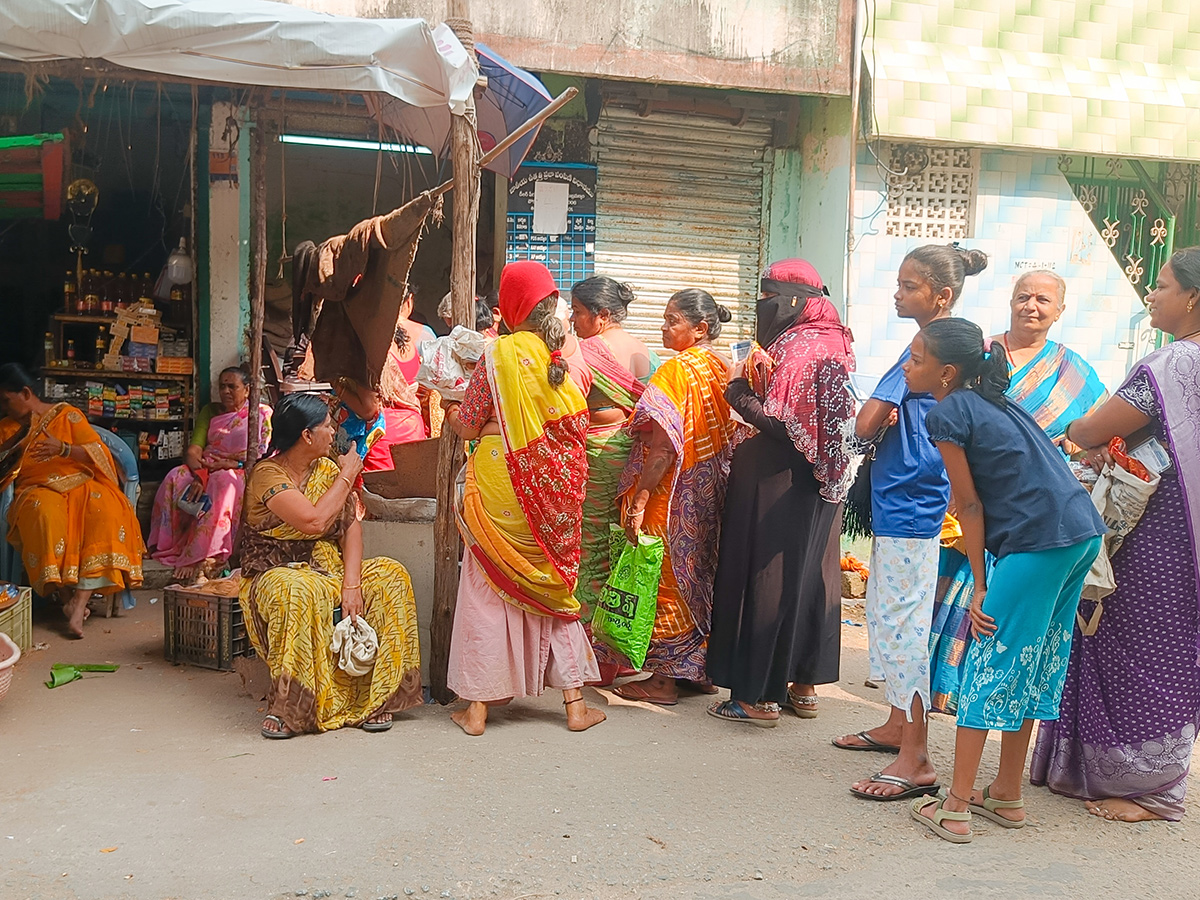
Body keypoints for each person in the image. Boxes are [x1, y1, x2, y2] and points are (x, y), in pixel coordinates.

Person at [904, 317, 1104, 842]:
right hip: (1079, 534)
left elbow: (968, 504)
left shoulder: (947, 412)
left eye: (916, 359)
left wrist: (981, 583)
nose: (907, 366)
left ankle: (954, 806)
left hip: (1037, 543)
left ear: (946, 372)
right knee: (1036, 658)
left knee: (990, 658)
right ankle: (1007, 794)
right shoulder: (998, 402)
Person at [1030, 247, 1200, 823]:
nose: (1151, 294)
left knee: (1134, 641)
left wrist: (1087, 433)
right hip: (1186, 535)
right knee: (1174, 646)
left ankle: (1152, 790)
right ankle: (1124, 774)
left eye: (1161, 285)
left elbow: (1090, 427)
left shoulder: (1171, 366)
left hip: (1161, 531)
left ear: (1193, 299)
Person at [836, 243, 987, 801]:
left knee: (902, 626)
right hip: (913, 500)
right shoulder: (942, 347)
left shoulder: (925, 350)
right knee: (891, 617)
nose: (897, 295)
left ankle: (915, 756)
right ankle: (898, 725)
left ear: (940, 295)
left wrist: (872, 420)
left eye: (908, 286)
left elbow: (865, 421)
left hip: (913, 505)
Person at [929, 270, 1107, 713]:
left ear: (1060, 311)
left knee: (1005, 616)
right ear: (1009, 301)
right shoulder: (980, 355)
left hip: (1034, 511)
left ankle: (986, 698)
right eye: (1023, 296)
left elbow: (1096, 430)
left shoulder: (1073, 372)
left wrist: (1074, 443)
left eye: (1043, 299)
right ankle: (946, 687)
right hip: (973, 495)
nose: (1032, 306)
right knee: (961, 592)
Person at [442, 260, 606, 736]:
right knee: (552, 585)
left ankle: (476, 710)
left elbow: (470, 424)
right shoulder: (565, 362)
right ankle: (575, 706)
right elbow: (576, 428)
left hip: (498, 483)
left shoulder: (497, 355)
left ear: (511, 307)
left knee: (485, 586)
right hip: (551, 490)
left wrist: (450, 410)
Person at [706, 260, 856, 726]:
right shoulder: (838, 340)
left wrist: (738, 392)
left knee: (766, 578)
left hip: (777, 477)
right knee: (811, 576)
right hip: (826, 482)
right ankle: (803, 686)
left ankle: (755, 698)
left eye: (770, 298)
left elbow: (784, 424)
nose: (764, 308)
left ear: (792, 300)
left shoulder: (798, 347)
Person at [238, 392, 422, 738]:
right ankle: (292, 708)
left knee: (390, 576)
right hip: (275, 569)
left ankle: (378, 699)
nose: (333, 430)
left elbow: (350, 525)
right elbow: (313, 522)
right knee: (296, 590)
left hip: (328, 567)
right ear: (306, 436)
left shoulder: (326, 469)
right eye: (326, 426)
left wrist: (351, 583)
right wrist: (348, 474)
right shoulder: (267, 475)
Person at [611, 289, 740, 706]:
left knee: (665, 577)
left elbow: (664, 448)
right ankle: (696, 670)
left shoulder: (676, 371)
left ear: (700, 328)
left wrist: (641, 498)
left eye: (673, 320)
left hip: (674, 492)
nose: (664, 328)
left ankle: (664, 680)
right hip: (712, 490)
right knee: (701, 576)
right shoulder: (724, 368)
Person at [0, 363, 143, 638]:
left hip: (81, 482)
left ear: (26, 392)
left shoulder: (67, 415)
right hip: (37, 488)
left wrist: (63, 448)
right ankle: (67, 598)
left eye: (7, 400)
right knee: (44, 514)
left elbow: (98, 453)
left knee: (107, 510)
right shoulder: (7, 429)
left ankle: (80, 602)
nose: (4, 408)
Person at [568, 275, 658, 683]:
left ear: (601, 316)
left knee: (590, 548)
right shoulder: (644, 351)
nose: (572, 320)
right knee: (620, 544)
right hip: (634, 456)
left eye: (578, 313)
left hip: (600, 453)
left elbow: (567, 402)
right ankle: (620, 651)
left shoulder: (588, 352)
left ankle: (593, 655)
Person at [148, 366, 271, 583]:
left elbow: (263, 455)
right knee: (175, 477)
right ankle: (171, 545)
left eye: (232, 387)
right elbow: (194, 451)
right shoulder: (211, 411)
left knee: (224, 481)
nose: (225, 391)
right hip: (205, 467)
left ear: (247, 390)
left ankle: (205, 555)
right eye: (221, 386)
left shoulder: (261, 414)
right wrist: (201, 475)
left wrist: (233, 463)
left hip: (239, 469)